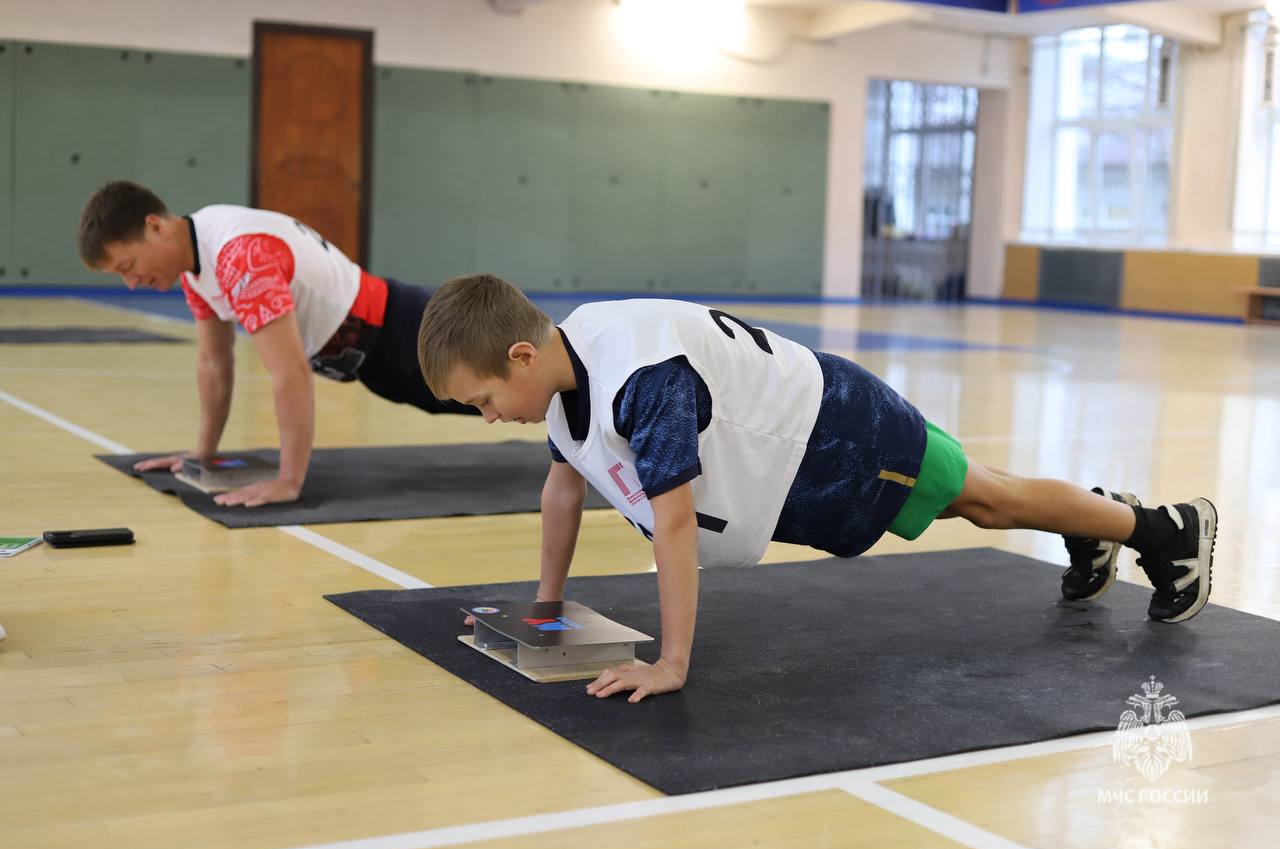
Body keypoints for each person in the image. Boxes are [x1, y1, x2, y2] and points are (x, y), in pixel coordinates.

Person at [417, 274, 1218, 703]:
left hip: (846, 435)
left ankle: (1160, 528)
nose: (488, 418)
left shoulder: (641, 377)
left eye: (481, 400)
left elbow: (676, 526)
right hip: (801, 452)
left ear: (521, 355)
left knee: (988, 499)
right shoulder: (564, 369)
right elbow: (564, 489)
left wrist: (672, 662)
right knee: (989, 493)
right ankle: (1098, 523)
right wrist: (545, 605)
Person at [77, 181, 478, 507]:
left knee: (531, 386)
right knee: (501, 404)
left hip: (409, 330)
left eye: (129, 267)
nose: (131, 282)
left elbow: (289, 374)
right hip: (379, 362)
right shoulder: (197, 265)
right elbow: (214, 365)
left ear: (156, 227)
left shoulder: (239, 256)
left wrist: (288, 481)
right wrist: (202, 456)